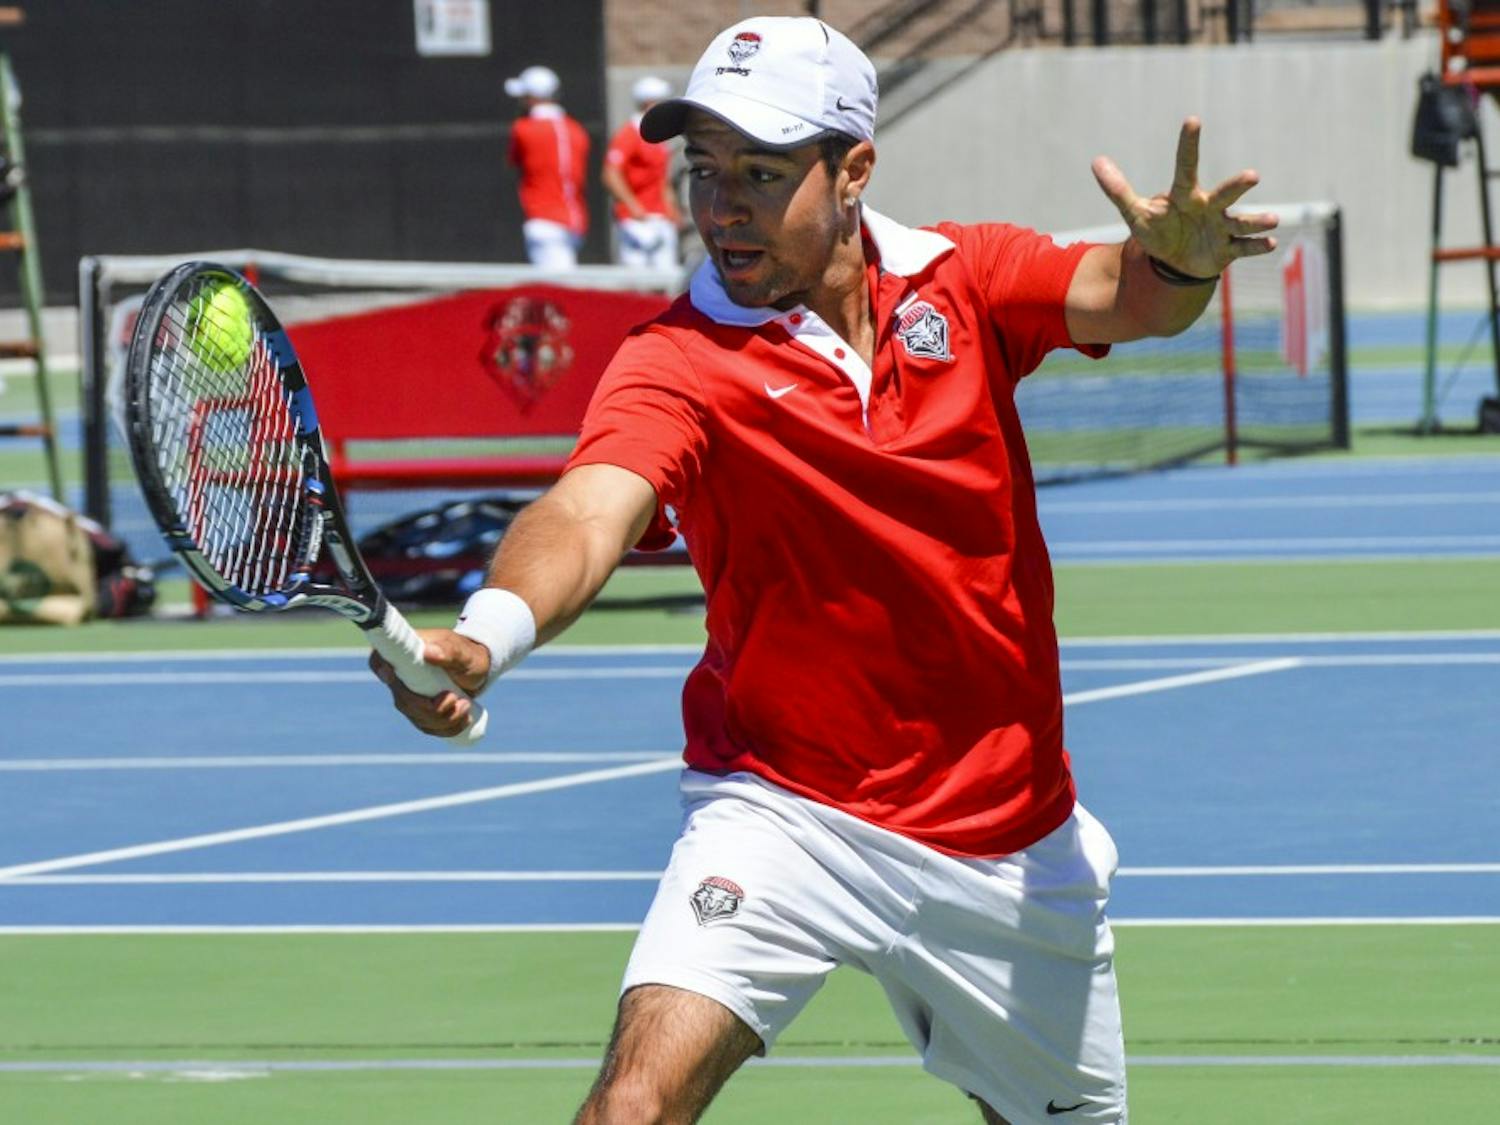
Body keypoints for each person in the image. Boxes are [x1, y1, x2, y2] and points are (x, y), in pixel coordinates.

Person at [375, 16, 1275, 1125]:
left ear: (853, 172)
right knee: (632, 1108)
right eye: (705, 172)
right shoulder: (674, 363)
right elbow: (589, 509)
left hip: (1007, 839)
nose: (723, 206)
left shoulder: (969, 279)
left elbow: (1133, 296)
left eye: (760, 172)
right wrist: (491, 628)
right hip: (787, 812)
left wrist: (1180, 259)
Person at [504, 64, 589, 270]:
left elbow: (513, 161)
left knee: (556, 292)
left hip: (544, 220)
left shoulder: (523, 129)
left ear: (532, 97)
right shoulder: (576, 129)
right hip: (576, 220)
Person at [602, 75, 683, 271]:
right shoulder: (630, 133)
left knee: (666, 283)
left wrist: (671, 208)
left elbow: (661, 177)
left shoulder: (658, 134)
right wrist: (633, 207)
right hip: (638, 221)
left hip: (660, 218)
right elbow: (610, 173)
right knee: (638, 284)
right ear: (649, 102)